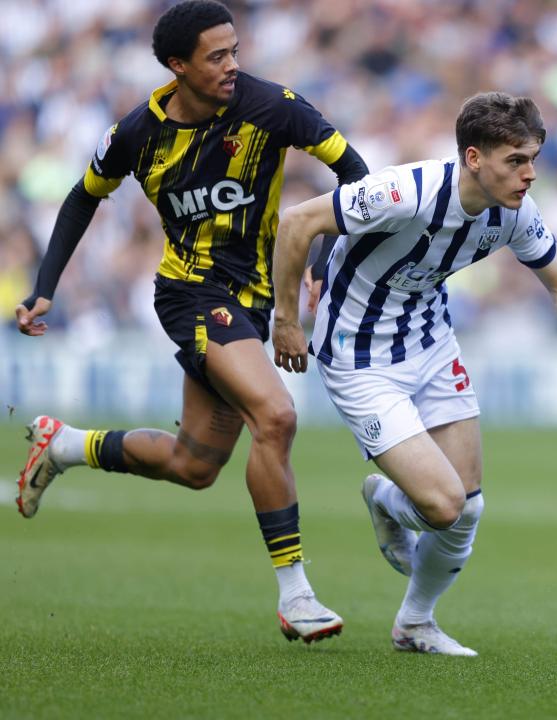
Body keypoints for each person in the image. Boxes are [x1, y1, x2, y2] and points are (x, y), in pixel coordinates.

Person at [14, 0, 369, 645]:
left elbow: (354, 173)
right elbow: (82, 197)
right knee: (277, 416)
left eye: (235, 51)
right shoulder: (137, 133)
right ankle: (297, 595)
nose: (233, 65)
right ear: (178, 66)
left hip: (252, 298)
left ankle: (65, 445)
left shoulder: (273, 107)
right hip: (191, 293)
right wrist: (44, 288)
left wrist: (320, 258)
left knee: (193, 465)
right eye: (217, 56)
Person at [271, 91, 557, 656]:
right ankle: (386, 500)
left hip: (432, 344)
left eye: (533, 159)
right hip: (358, 356)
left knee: (469, 506)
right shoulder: (407, 191)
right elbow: (298, 222)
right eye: (516, 160)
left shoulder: (515, 213)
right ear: (474, 158)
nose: (530, 174)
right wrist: (286, 319)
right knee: (442, 506)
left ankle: (415, 624)